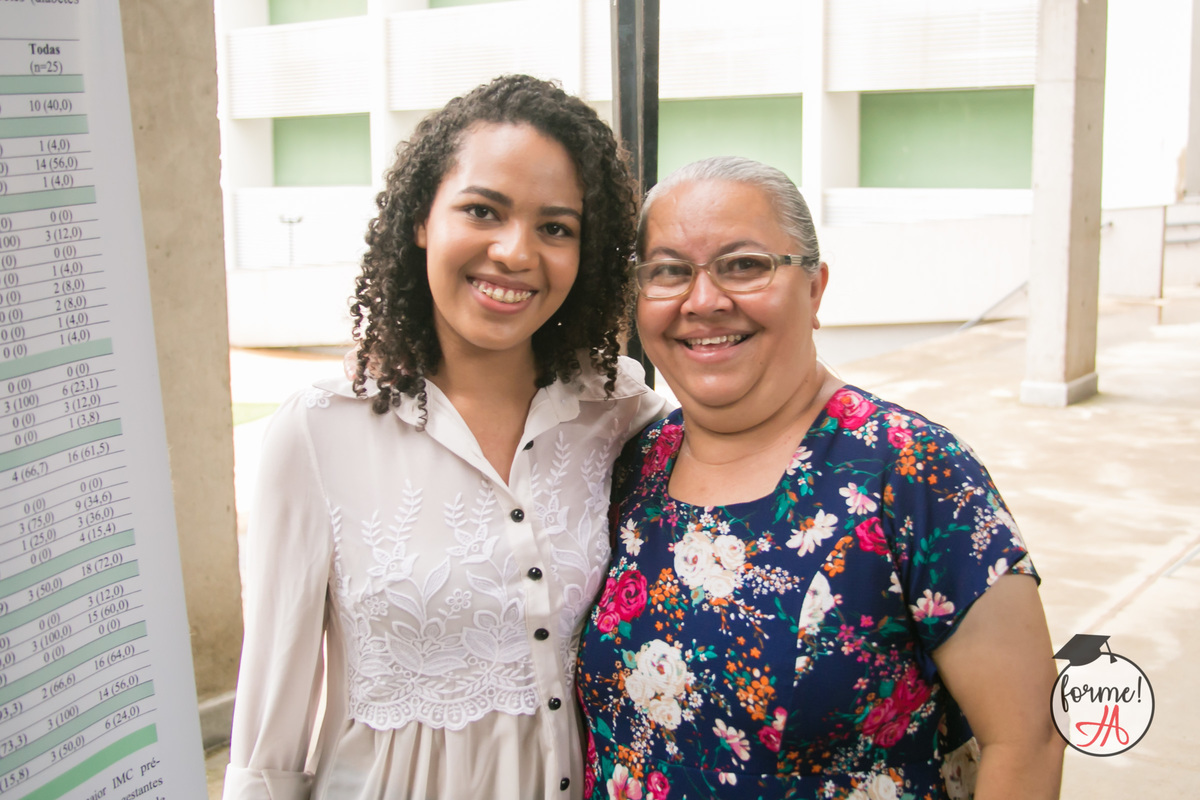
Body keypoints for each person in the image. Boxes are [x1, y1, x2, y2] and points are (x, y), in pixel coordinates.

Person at [223, 75, 670, 800]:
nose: (516, 252)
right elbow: (270, 724)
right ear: (421, 220)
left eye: (556, 227)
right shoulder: (319, 429)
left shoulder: (619, 412)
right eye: (482, 210)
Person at [576, 157, 1064, 800]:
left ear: (814, 288)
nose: (704, 301)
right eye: (668, 271)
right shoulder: (630, 466)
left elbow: (1027, 740)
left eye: (743, 265)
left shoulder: (912, 471)